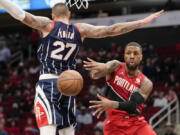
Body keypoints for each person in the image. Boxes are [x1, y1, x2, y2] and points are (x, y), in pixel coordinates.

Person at [0, 0, 163, 134]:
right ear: (69, 14)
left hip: (48, 82)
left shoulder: (48, 25)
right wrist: (142, 21)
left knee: (48, 130)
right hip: (70, 87)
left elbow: (22, 15)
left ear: (53, 15)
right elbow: (112, 29)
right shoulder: (80, 30)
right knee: (68, 131)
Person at [84, 42, 156, 135]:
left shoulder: (146, 83)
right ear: (124, 55)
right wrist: (97, 71)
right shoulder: (116, 66)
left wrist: (111, 104)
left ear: (141, 57)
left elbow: (132, 106)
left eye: (136, 53)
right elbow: (104, 68)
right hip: (114, 124)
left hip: (136, 123)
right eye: (128, 53)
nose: (132, 56)